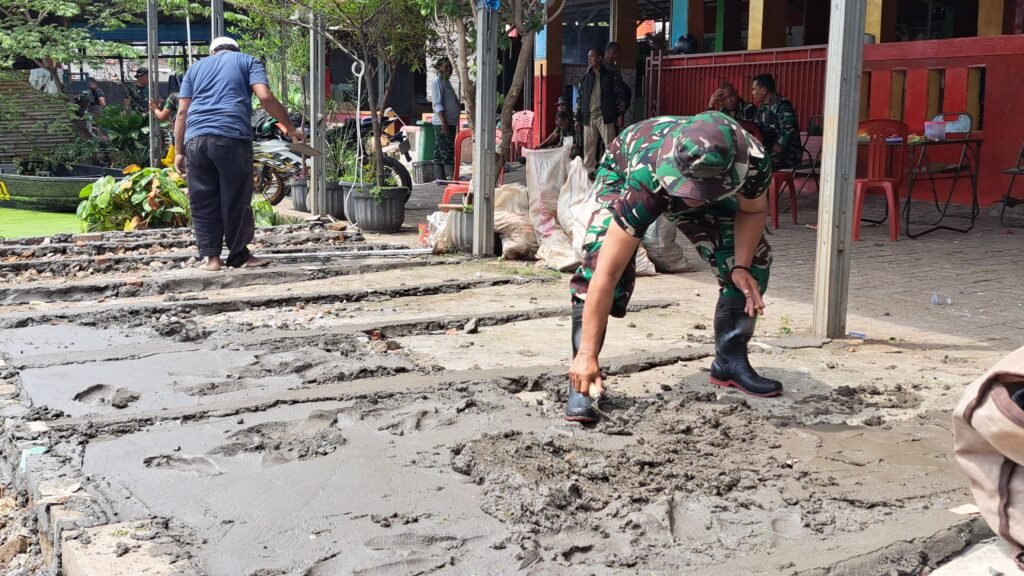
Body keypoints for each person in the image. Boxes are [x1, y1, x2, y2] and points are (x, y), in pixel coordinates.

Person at [565, 111, 782, 422]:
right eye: (687, 190)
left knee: (754, 257)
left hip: (710, 181)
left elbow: (752, 211)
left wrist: (741, 266)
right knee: (600, 257)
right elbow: (607, 272)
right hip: (625, 171)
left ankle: (730, 362)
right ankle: (582, 375)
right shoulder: (647, 177)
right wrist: (587, 353)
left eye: (699, 192)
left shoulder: (753, 160)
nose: (691, 199)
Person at [173, 36, 302, 272]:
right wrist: (291, 128)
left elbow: (182, 112)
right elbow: (264, 97)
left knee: (203, 200)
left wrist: (178, 152)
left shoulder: (194, 69)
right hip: (230, 136)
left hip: (195, 140)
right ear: (235, 49)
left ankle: (211, 259)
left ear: (213, 52)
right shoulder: (248, 61)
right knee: (235, 198)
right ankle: (239, 255)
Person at [575, 47, 624, 175]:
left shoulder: (610, 76)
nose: (589, 59)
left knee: (610, 147)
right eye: (589, 56)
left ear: (600, 58)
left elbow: (619, 96)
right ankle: (588, 174)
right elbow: (580, 99)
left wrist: (620, 114)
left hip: (605, 116)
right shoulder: (586, 77)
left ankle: (611, 173)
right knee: (589, 150)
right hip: (589, 117)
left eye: (592, 56)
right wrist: (578, 119)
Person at [750, 74, 802, 169]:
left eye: (754, 89)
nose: (752, 93)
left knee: (755, 163)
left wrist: (778, 146)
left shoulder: (782, 105)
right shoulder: (762, 108)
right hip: (770, 151)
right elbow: (754, 128)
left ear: (764, 90)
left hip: (788, 154)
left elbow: (789, 128)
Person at [431, 58, 461, 179]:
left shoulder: (446, 82)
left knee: (440, 149)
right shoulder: (437, 82)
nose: (449, 69)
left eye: (450, 67)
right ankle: (450, 177)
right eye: (446, 67)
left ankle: (440, 178)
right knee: (447, 150)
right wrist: (444, 122)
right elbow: (437, 103)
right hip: (444, 122)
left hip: (451, 122)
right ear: (439, 68)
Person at [604, 42, 632, 122]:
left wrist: (621, 113)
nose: (619, 57)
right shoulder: (599, 68)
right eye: (619, 54)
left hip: (613, 110)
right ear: (613, 52)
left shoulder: (616, 70)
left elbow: (621, 92)